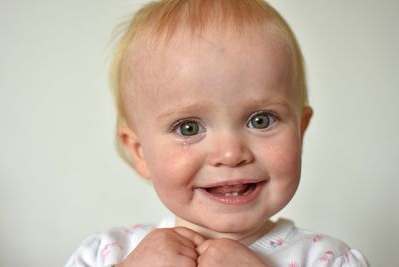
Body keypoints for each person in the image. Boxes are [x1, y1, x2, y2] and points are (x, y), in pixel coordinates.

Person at [66, 0, 369, 266]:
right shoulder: (109, 255)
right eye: (189, 127)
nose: (231, 153)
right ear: (140, 151)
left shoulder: (327, 260)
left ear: (300, 132)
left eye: (260, 120)